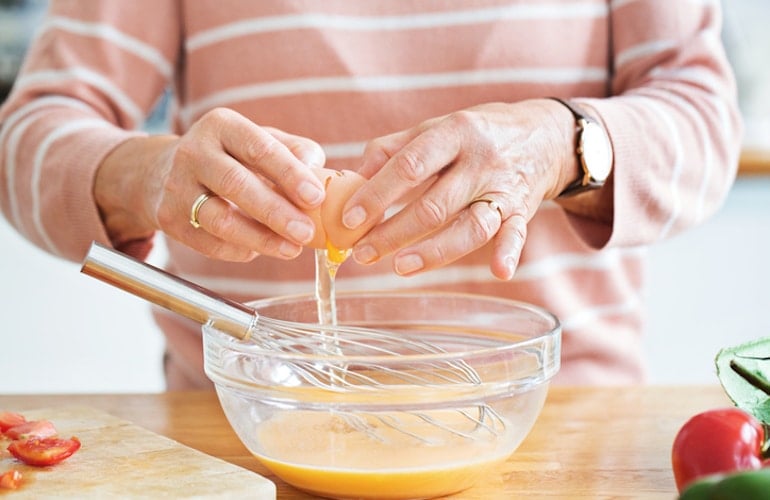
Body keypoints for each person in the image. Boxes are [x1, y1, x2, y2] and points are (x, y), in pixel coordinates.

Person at [0, 1, 742, 389]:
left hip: (554, 422)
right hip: (244, 431)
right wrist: (140, 176)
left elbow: (706, 123)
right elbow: (26, 137)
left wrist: (564, 142)